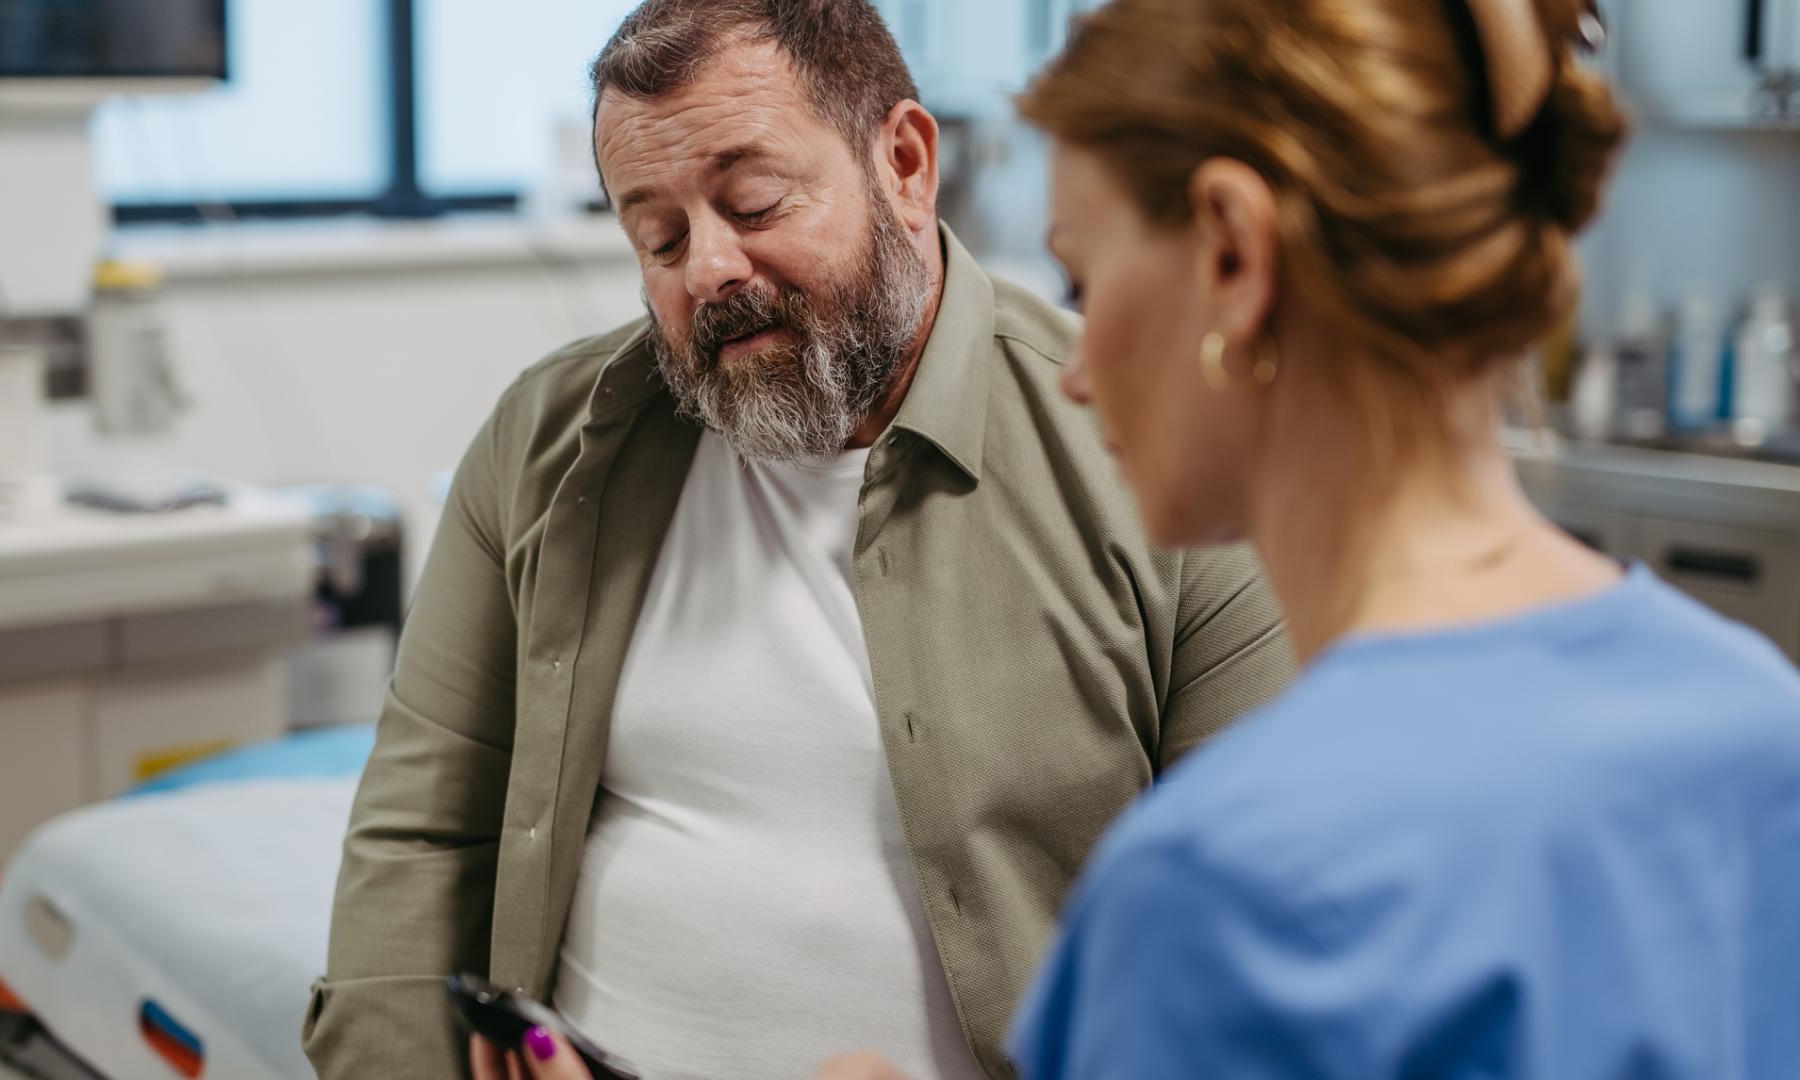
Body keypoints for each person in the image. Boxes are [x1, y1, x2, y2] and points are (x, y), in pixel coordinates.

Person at [301, 2, 1295, 1078]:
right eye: (660, 238)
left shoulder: (1155, 459)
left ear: (904, 165)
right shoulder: (548, 444)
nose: (709, 271)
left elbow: (1252, 970)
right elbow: (419, 844)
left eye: (754, 202)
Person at [809, 0, 1800, 1077]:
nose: (1076, 372)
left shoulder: (1224, 888)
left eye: (1085, 284)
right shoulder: (1757, 721)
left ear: (1233, 255)